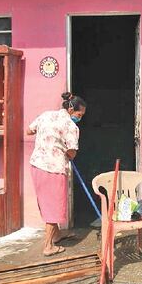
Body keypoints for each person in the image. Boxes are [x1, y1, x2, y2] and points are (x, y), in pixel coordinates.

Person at [27, 92, 86, 256]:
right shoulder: (71, 127)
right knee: (52, 207)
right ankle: (48, 246)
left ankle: (57, 235)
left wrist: (47, 137)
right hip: (53, 169)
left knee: (46, 203)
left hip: (36, 165)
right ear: (71, 109)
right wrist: (65, 151)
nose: (79, 118)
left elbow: (29, 131)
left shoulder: (46, 115)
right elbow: (72, 153)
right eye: (79, 115)